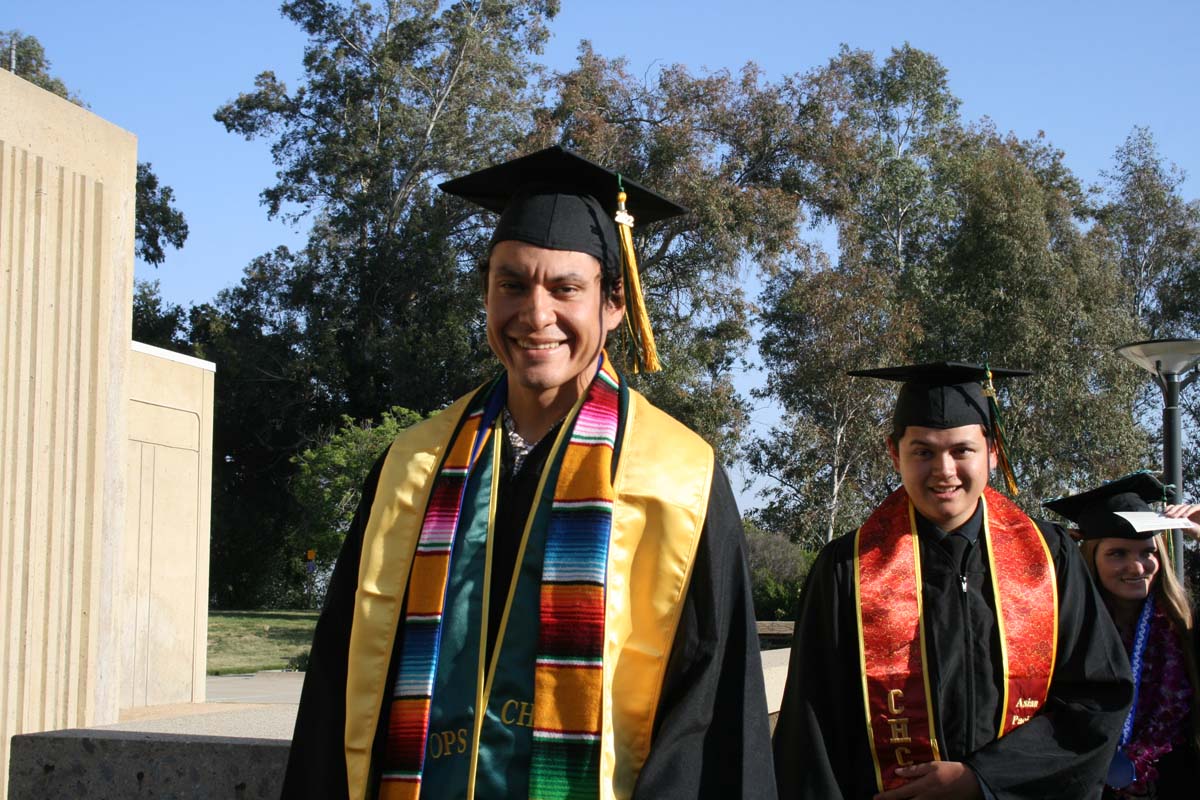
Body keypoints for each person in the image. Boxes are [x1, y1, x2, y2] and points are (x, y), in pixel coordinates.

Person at [281, 146, 775, 800]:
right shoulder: (415, 466)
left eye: (566, 288)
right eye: (512, 284)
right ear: (486, 292)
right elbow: (341, 687)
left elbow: (708, 716)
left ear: (614, 304)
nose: (535, 316)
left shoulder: (676, 480)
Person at [772, 362, 1133, 800]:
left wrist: (982, 779)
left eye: (962, 450)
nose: (944, 471)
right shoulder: (846, 568)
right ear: (894, 453)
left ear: (992, 451)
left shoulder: (1050, 558)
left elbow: (1096, 699)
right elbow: (811, 727)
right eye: (922, 451)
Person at [1044, 472, 1200, 798]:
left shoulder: (1185, 630)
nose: (1137, 566)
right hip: (1082, 785)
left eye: (1148, 552)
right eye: (1118, 553)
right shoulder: (1061, 631)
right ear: (1091, 558)